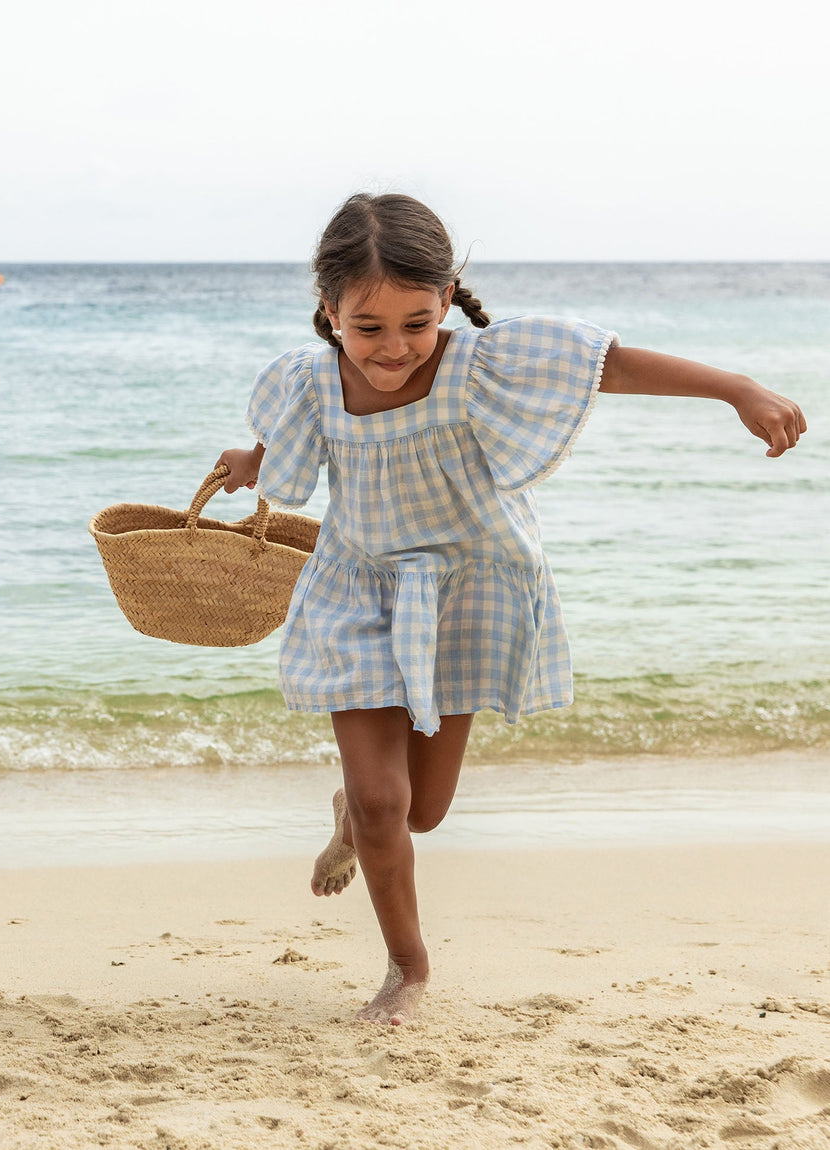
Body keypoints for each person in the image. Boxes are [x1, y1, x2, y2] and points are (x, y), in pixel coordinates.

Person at [216, 193, 806, 1025]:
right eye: (369, 328)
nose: (395, 349)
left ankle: (353, 811)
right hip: (355, 591)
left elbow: (614, 366)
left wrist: (736, 390)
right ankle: (406, 968)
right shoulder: (309, 380)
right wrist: (253, 456)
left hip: (466, 593)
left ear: (449, 298)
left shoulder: (481, 364)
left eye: (416, 323)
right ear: (330, 312)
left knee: (422, 809)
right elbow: (294, 443)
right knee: (390, 805)